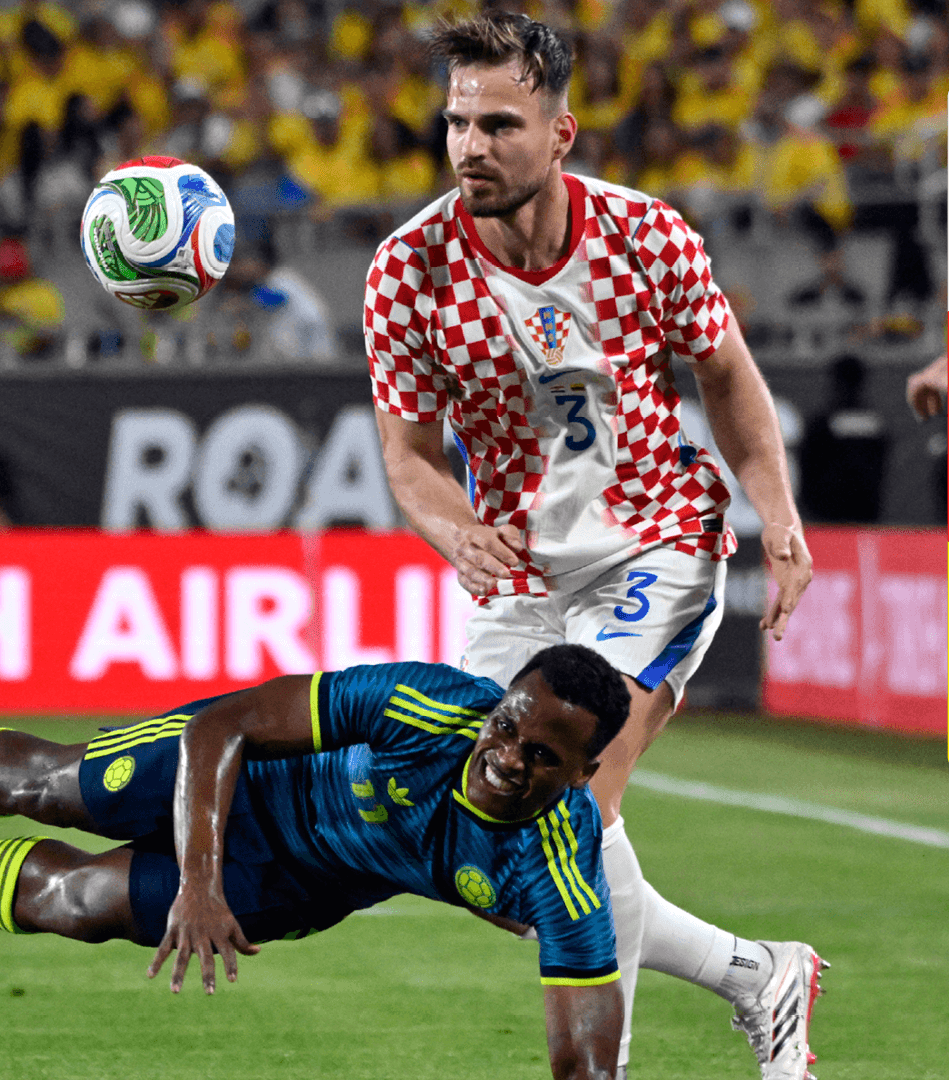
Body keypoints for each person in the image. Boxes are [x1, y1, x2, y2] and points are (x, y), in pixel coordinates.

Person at [362, 15, 821, 1080]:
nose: (470, 146)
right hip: (520, 573)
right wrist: (455, 530)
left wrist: (780, 517)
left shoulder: (645, 238)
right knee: (486, 846)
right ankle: (758, 975)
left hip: (655, 543)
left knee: (566, 811)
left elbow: (728, 380)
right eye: (457, 123)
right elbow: (409, 458)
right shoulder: (407, 272)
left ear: (560, 134)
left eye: (499, 125)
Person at [0, 647, 629, 1078]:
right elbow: (224, 726)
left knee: (74, 907)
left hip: (300, 880)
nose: (507, 757)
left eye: (542, 757)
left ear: (584, 777)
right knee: (54, 788)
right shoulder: (424, 704)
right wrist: (199, 883)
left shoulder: (562, 873)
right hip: (239, 771)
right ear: (495, 705)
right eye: (506, 726)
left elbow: (585, 1062)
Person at [800, 355, 891, 523]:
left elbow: (808, 469)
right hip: (861, 513)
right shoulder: (875, 425)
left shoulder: (821, 424)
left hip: (830, 516)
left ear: (836, 383)